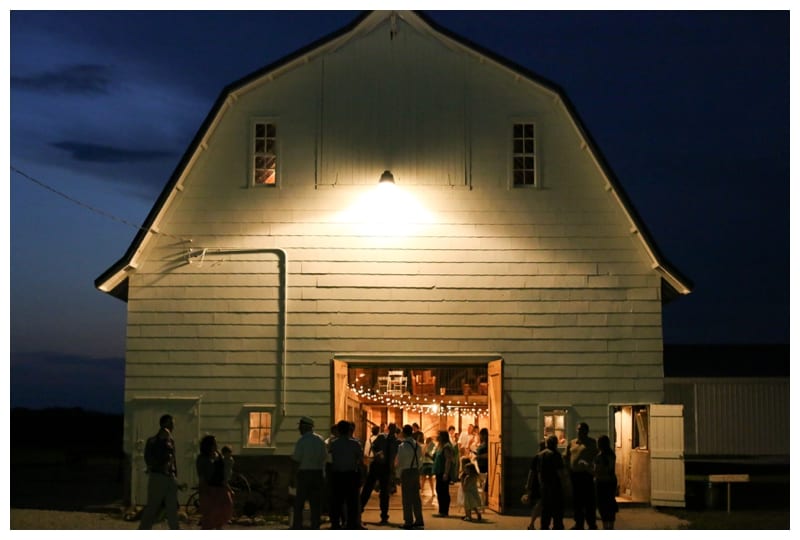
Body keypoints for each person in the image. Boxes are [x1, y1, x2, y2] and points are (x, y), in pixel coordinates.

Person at [139, 414, 181, 530]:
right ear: (163, 424)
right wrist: (163, 444)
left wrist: (175, 477)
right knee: (152, 507)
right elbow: (150, 460)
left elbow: (173, 460)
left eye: (173, 424)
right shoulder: (152, 441)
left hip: (170, 478)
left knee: (172, 509)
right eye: (170, 423)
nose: (173, 426)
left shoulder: (171, 441)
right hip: (158, 477)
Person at [328, 420, 366, 530]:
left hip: (338, 475)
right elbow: (360, 461)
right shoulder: (355, 444)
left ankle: (336, 524)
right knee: (352, 502)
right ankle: (352, 524)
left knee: (337, 501)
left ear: (339, 430)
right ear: (349, 430)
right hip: (351, 474)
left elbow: (331, 459)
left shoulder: (334, 444)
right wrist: (362, 475)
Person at [290, 416, 327, 529]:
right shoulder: (320, 440)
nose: (299, 429)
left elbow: (296, 460)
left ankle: (298, 525)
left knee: (299, 502)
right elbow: (324, 457)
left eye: (300, 427)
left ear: (304, 427)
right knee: (315, 503)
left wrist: (292, 476)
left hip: (304, 474)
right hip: (317, 473)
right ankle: (315, 525)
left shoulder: (302, 441)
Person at [195, 434, 233, 529]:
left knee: (222, 513)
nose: (216, 445)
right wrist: (202, 491)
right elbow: (202, 475)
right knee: (210, 516)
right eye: (214, 443)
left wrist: (227, 486)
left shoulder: (218, 455)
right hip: (210, 488)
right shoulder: (203, 458)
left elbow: (222, 472)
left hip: (220, 488)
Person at [565, 422, 598, 530]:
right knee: (577, 501)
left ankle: (591, 524)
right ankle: (578, 523)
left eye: (582, 430)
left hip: (586, 475)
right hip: (575, 475)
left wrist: (591, 466)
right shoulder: (572, 443)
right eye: (578, 429)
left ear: (586, 431)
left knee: (589, 501)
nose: (579, 432)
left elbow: (597, 457)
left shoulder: (592, 443)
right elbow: (566, 456)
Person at [359, 424, 392, 525]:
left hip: (376, 466)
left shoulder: (380, 438)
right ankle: (384, 516)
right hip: (384, 468)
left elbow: (373, 448)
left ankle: (358, 511)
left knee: (368, 490)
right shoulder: (387, 439)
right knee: (384, 493)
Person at [396, 424, 424, 529]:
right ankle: (419, 519)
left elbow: (400, 463)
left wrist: (398, 475)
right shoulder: (418, 445)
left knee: (407, 498)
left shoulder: (402, 446)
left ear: (403, 433)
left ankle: (408, 521)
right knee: (416, 497)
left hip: (406, 472)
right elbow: (421, 460)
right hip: (415, 472)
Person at [537, 435, 566, 530]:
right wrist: (564, 483)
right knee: (557, 510)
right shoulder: (556, 455)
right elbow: (560, 472)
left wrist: (541, 483)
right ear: (555, 444)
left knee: (545, 509)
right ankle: (557, 527)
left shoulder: (541, 455)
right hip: (555, 485)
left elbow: (539, 472)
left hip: (544, 485)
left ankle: (544, 527)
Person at [594, 434, 619, 530]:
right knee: (609, 503)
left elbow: (598, 470)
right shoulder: (611, 454)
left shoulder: (600, 456)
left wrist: (590, 468)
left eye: (598, 443)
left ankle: (606, 527)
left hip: (602, 482)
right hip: (611, 481)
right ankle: (610, 526)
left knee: (603, 505)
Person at [522, 439, 546, 530]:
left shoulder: (538, 456)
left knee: (540, 503)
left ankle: (533, 524)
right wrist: (528, 485)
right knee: (540, 503)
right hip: (539, 482)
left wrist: (528, 485)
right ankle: (532, 523)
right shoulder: (538, 457)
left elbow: (531, 472)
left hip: (537, 482)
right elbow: (531, 472)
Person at [431, 430, 454, 517]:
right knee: (439, 490)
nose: (437, 437)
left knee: (443, 491)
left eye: (439, 435)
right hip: (439, 471)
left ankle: (444, 511)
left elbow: (448, 460)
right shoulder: (440, 446)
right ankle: (441, 510)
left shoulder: (446, 446)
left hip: (443, 472)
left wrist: (446, 473)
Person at [472, 427, 489, 505]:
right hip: (480, 464)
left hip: (484, 464)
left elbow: (489, 454)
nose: (480, 436)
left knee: (485, 483)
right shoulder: (482, 443)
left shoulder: (487, 444)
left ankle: (486, 500)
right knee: (482, 482)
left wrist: (479, 456)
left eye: (481, 434)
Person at [420, 436, 436, 502]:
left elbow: (422, 454)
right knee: (430, 479)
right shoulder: (432, 445)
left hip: (424, 463)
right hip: (429, 463)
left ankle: (422, 491)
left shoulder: (423, 446)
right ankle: (432, 492)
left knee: (423, 478)